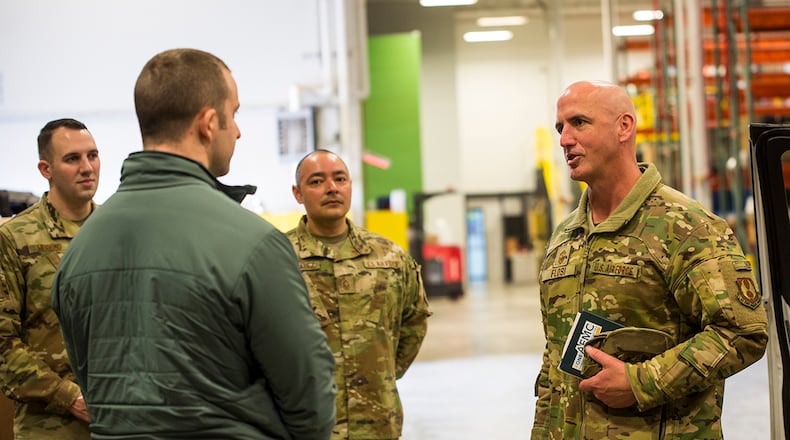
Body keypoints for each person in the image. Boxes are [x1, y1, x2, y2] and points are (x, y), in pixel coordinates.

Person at [51, 48, 336, 439]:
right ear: (207, 124)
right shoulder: (254, 243)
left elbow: (92, 380)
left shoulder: (79, 251)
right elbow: (310, 395)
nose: (237, 131)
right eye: (233, 115)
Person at [531, 80, 769, 439]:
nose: (564, 139)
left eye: (579, 123)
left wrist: (641, 382)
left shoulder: (685, 226)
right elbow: (554, 361)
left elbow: (743, 332)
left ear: (624, 127)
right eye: (560, 127)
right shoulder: (566, 237)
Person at [287, 149, 432, 440]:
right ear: (298, 193)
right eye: (316, 181)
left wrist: (380, 373)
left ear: (350, 185)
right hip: (306, 424)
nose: (331, 188)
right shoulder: (277, 258)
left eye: (340, 179)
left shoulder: (389, 257)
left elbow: (414, 322)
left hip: (377, 420)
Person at [0, 118, 100, 439]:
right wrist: (70, 399)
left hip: (119, 420)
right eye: (72, 158)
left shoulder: (116, 231)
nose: (87, 167)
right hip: (49, 425)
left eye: (92, 155)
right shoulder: (15, 237)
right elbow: (3, 344)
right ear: (46, 169)